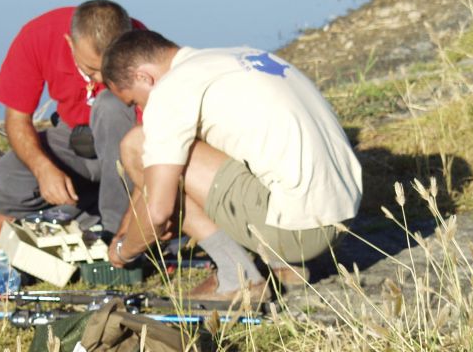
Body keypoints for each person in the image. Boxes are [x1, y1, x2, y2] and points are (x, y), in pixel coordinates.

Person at [101, 30, 363, 302]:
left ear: (144, 77)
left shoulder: (171, 88)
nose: (142, 110)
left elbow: (158, 212)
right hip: (342, 215)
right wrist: (129, 225)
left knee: (136, 144)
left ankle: (237, 277)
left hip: (299, 231)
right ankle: (284, 265)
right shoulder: (238, 55)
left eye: (135, 101)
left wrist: (123, 251)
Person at [0, 0, 144, 239]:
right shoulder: (39, 35)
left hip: (123, 141)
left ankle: (116, 232)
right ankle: (89, 211)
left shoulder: (143, 45)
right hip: (72, 138)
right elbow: (17, 119)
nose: (101, 78)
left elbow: (151, 139)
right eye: (91, 69)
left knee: (110, 103)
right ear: (70, 43)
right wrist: (43, 169)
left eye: (110, 69)